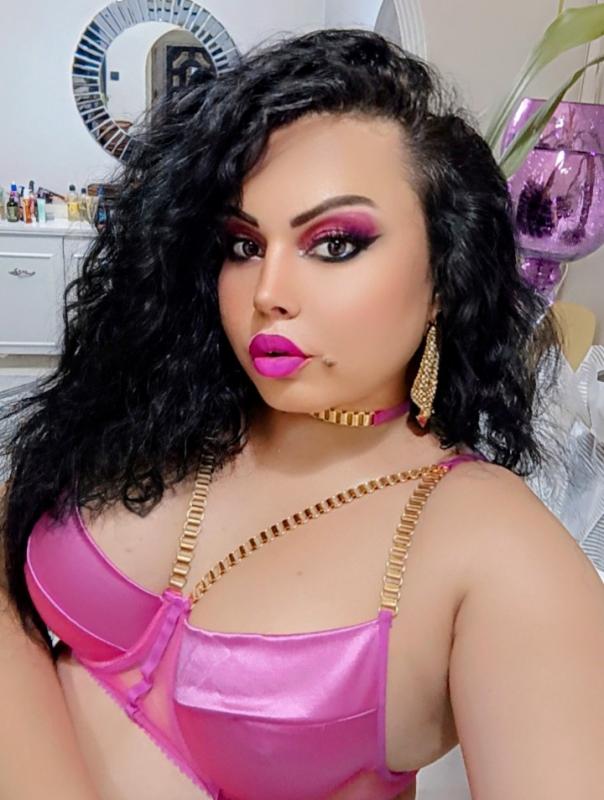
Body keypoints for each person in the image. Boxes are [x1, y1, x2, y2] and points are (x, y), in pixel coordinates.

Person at [1, 27, 604, 800]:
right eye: (242, 245)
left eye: (335, 244)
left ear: (445, 277)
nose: (268, 293)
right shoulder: (175, 412)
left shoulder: (495, 548)